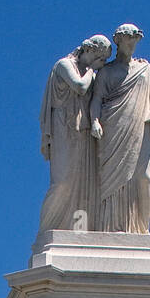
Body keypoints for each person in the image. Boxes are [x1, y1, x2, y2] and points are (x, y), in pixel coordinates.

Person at [89, 23, 150, 234]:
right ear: (118, 41)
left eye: (135, 41)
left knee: (143, 177)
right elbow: (97, 98)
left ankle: (140, 228)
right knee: (111, 181)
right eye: (129, 40)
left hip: (142, 126)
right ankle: (110, 227)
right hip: (113, 128)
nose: (133, 45)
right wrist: (94, 121)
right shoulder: (106, 72)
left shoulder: (145, 68)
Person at [38, 34, 112, 233]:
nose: (102, 64)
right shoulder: (64, 65)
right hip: (64, 126)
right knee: (62, 181)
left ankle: (79, 229)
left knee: (83, 181)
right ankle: (48, 230)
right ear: (91, 51)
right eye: (101, 59)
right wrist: (91, 71)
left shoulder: (93, 74)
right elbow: (79, 87)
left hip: (84, 129)